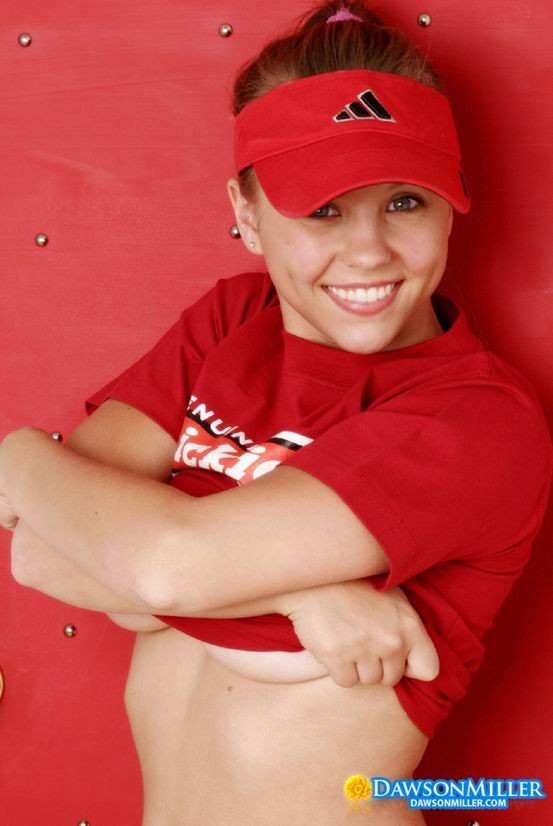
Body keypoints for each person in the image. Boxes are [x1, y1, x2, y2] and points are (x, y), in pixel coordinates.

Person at [1, 1, 551, 824]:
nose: (368, 252)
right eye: (322, 209)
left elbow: (154, 567)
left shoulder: (476, 422)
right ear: (246, 214)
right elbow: (40, 554)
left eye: (404, 201)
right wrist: (301, 597)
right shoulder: (231, 321)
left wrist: (17, 456)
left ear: (453, 199)